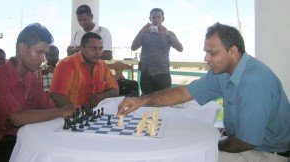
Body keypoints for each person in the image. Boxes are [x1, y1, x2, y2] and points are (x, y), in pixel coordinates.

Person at [118, 22, 290, 162]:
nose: (206, 59)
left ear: (233, 51)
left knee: (190, 157)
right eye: (206, 52)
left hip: (266, 153)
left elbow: (246, 142)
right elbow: (184, 92)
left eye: (212, 53)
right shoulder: (223, 72)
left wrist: (210, 145)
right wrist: (143, 100)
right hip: (239, 140)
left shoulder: (255, 82)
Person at [0, 23, 78, 162]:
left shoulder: (31, 78)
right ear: (22, 48)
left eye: (44, 54)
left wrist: (67, 113)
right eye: (39, 52)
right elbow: (16, 118)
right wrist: (62, 112)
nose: (43, 59)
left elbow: (49, 108)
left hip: (23, 141)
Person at [50, 32, 119, 108]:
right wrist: (76, 113)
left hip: (95, 114)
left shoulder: (103, 66)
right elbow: (56, 95)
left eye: (100, 48)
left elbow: (115, 90)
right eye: (93, 48)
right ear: (82, 48)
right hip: (70, 116)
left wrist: (101, 96)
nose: (98, 52)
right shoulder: (66, 64)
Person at [131, 8, 183, 95]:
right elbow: (133, 47)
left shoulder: (169, 33)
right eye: (154, 17)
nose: (156, 20)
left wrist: (168, 34)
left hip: (163, 74)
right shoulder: (144, 33)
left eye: (159, 17)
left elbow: (180, 49)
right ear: (150, 19)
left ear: (163, 19)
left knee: (165, 101)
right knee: (146, 101)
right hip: (146, 74)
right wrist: (141, 31)